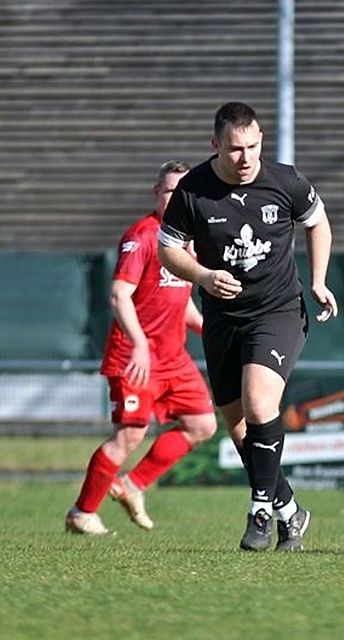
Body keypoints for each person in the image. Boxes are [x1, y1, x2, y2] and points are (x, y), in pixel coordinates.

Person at [158, 102, 338, 552]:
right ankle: (290, 511)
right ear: (215, 144)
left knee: (261, 404)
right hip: (223, 319)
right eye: (236, 149)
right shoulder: (193, 190)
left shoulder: (285, 181)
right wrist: (201, 276)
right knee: (239, 429)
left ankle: (260, 511)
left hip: (277, 311)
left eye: (254, 146)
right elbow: (168, 249)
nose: (246, 158)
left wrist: (317, 280)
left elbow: (318, 223)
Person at [65, 161, 218, 536]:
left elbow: (177, 299)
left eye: (182, 192)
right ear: (157, 192)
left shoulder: (187, 240)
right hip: (135, 358)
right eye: (168, 191)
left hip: (172, 358)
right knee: (130, 435)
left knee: (203, 424)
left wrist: (210, 329)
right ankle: (82, 513)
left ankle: (131, 486)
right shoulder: (143, 236)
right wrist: (138, 346)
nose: (175, 197)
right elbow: (120, 295)